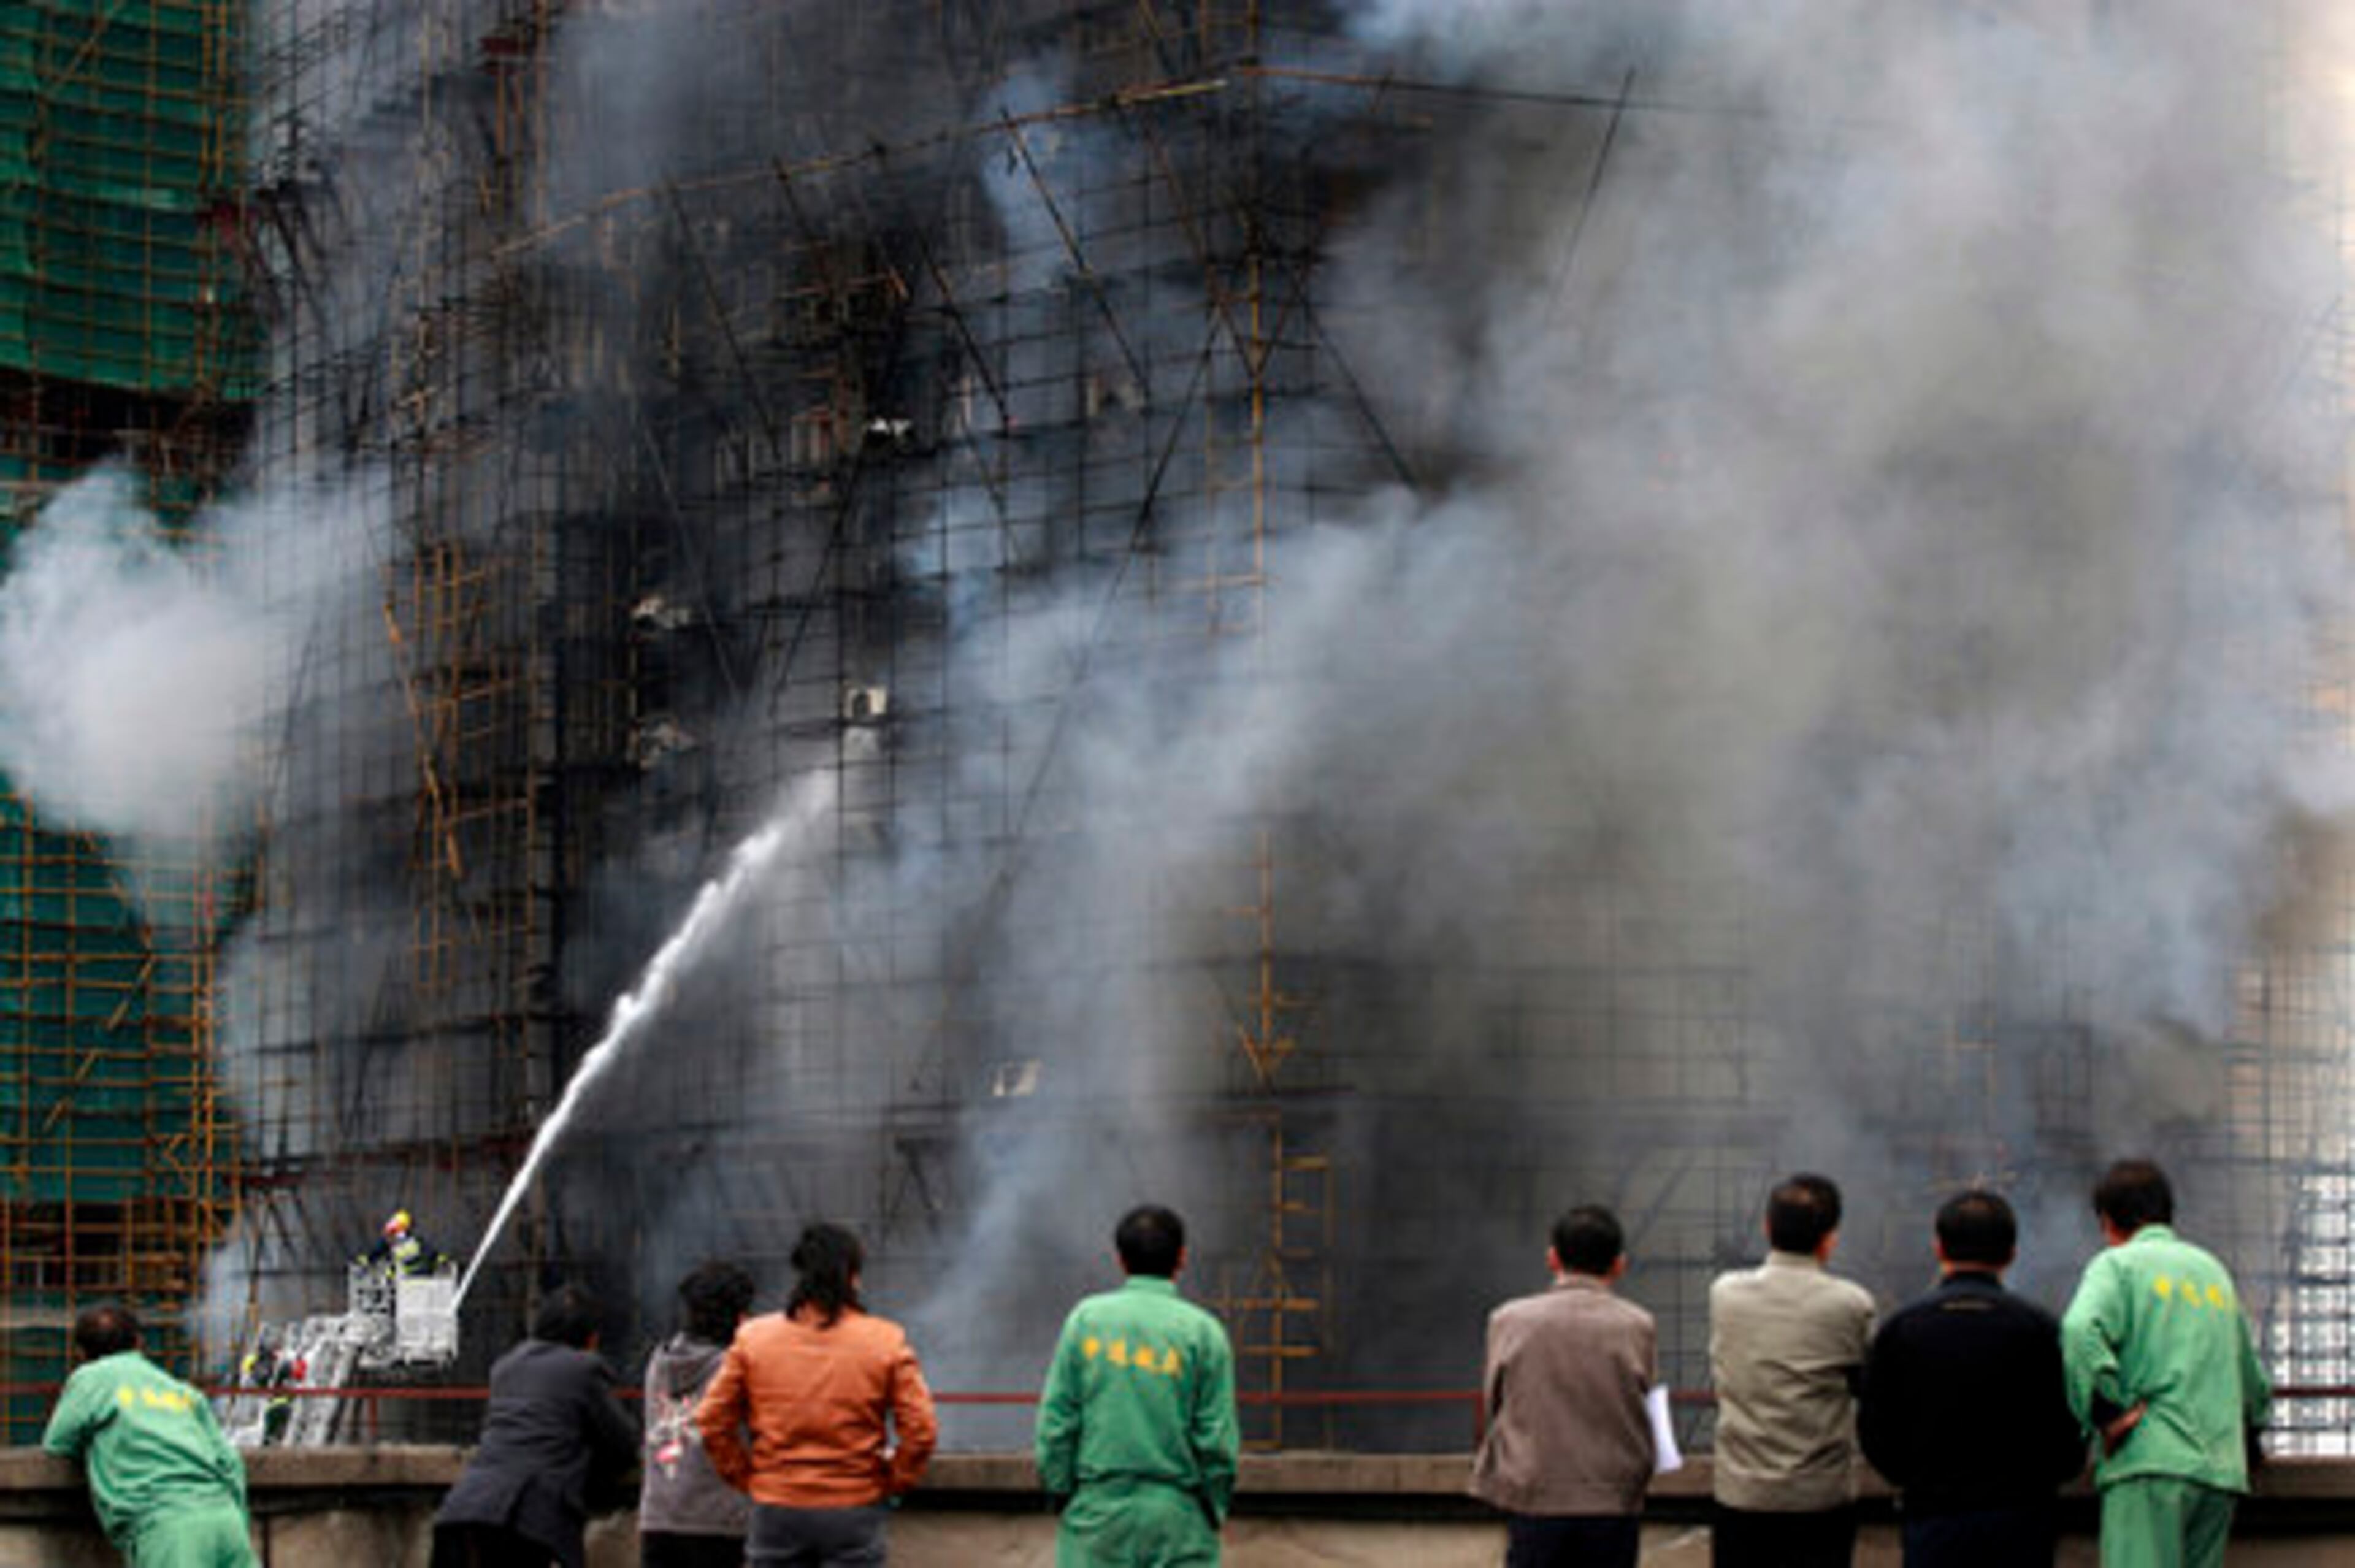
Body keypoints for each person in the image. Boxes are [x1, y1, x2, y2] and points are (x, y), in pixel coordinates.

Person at [1858, 1188, 2085, 1566]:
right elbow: (2068, 1430)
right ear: (2012, 1254)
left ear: (1939, 1249)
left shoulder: (1902, 1329)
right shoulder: (2041, 1329)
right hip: (2022, 1519)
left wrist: (1914, 1479)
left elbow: (1875, 1433)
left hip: (1932, 1518)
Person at [2061, 1158, 2270, 1568]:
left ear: (2108, 1221)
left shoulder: (2117, 1265)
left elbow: (2079, 1330)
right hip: (2219, 1474)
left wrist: (2107, 1412)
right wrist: (2249, 1436)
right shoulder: (2214, 1272)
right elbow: (2254, 1382)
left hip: (2149, 1465)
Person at [699, 1222, 937, 1565]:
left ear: (800, 1274)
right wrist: (892, 1480)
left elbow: (711, 1420)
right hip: (853, 1507)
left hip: (776, 1507)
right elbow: (922, 1430)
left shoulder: (753, 1338)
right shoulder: (886, 1340)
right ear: (853, 1276)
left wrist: (748, 1477)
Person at [1035, 1203, 1241, 1567]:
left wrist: (1063, 1492)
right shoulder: (1204, 1333)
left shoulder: (1086, 1321)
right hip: (1179, 1518)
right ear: (1182, 1258)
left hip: (1096, 1517)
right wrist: (1211, 1509)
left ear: (1121, 1260)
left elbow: (1057, 1423)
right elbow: (1218, 1442)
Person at [1469, 1204, 1659, 1568]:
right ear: (1619, 1265)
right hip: (1612, 1502)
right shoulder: (1638, 1325)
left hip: (1535, 1497)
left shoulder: (1509, 1320)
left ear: (1552, 1259)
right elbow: (1645, 1407)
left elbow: (1497, 1403)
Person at [1708, 1172, 1875, 1568]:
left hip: (1742, 1495)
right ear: (1830, 1237)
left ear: (1767, 1227)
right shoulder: (1851, 1303)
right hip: (1819, 1500)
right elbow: (1868, 1384)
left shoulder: (1725, 1293)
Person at [431, 1283, 639, 1568]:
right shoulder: (583, 1369)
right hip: (526, 1520)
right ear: (591, 1338)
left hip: (463, 1509)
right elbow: (623, 1444)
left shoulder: (506, 1366)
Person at [41, 1302, 258, 1568]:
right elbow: (230, 1463)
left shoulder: (91, 1379)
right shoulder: (182, 1391)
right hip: (226, 1520)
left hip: (167, 1525)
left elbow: (58, 1442)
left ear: (82, 1353)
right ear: (139, 1343)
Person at [641, 1260, 759, 1568]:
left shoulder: (659, 1361)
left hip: (658, 1518)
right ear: (736, 1316)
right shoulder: (734, 1368)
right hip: (718, 1521)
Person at [365, 1209, 445, 1277]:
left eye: (397, 1227)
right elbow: (377, 1253)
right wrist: (368, 1259)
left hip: (418, 1275)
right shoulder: (388, 1242)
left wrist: (438, 1258)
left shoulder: (415, 1241)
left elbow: (430, 1251)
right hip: (401, 1277)